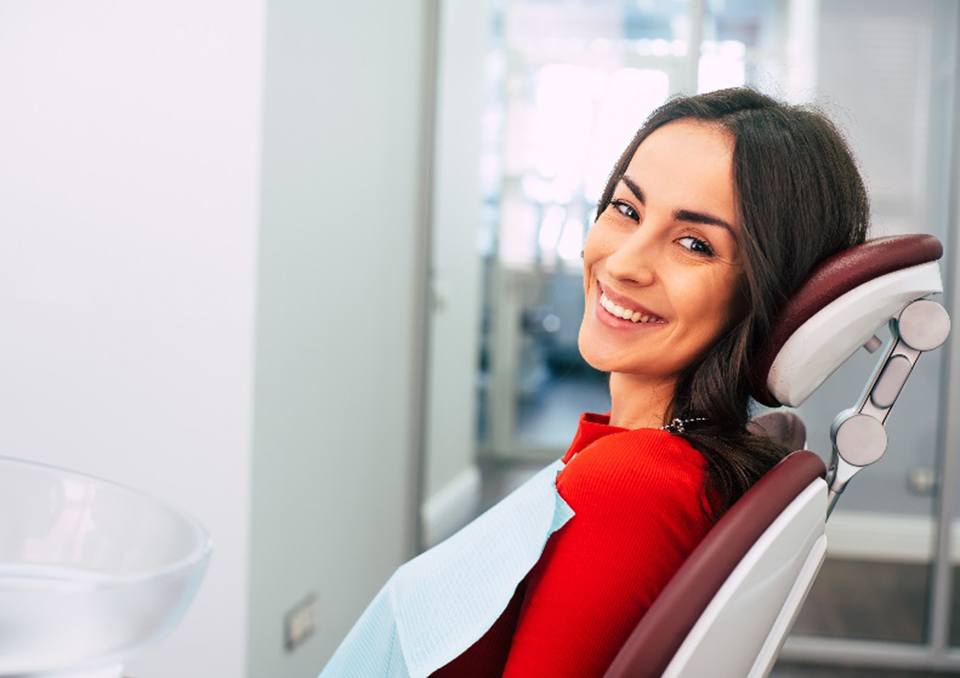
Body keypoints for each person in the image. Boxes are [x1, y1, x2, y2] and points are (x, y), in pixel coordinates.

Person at [430, 86, 869, 676]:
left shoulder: (630, 486)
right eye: (626, 209)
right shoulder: (657, 462)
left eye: (695, 244)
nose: (624, 263)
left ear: (769, 293)